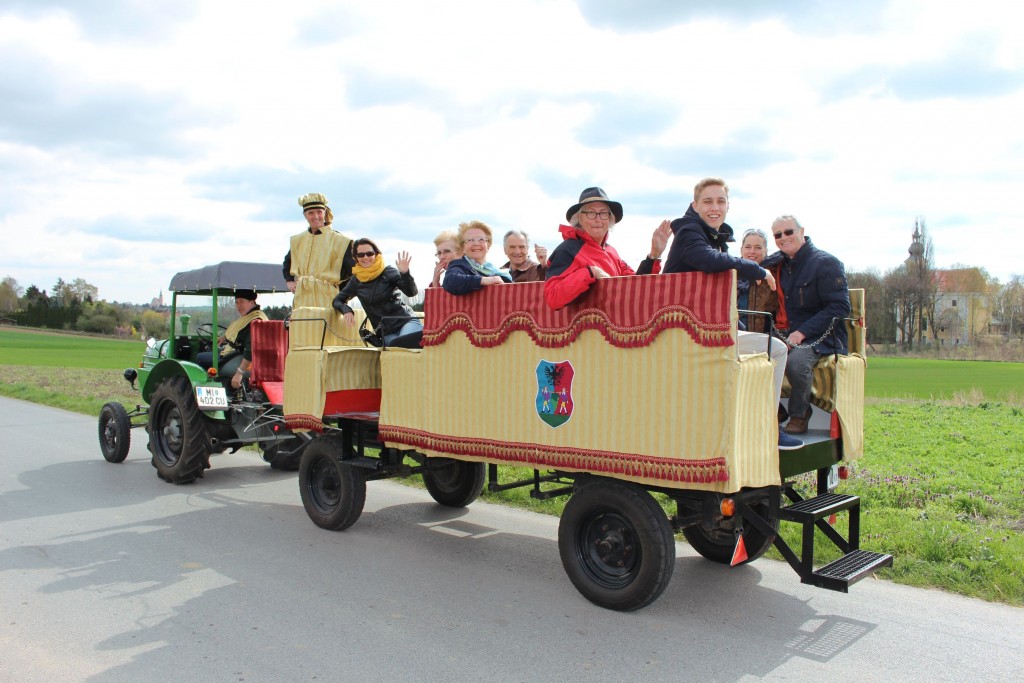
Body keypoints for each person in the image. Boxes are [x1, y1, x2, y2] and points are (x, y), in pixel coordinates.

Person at [662, 178, 802, 451]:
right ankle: (767, 428)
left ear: (728, 206)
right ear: (695, 205)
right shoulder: (690, 231)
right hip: (683, 329)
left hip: (707, 325)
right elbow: (710, 261)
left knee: (775, 347)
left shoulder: (714, 236)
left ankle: (754, 423)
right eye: (708, 201)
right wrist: (758, 270)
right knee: (775, 351)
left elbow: (720, 293)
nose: (715, 207)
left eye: (721, 201)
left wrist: (737, 325)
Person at [762, 215, 850, 435]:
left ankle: (800, 415)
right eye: (778, 235)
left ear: (802, 231)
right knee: (752, 360)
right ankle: (775, 412)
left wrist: (802, 332)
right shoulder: (778, 264)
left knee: (796, 363)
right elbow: (752, 264)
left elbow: (840, 307)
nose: (783, 238)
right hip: (785, 333)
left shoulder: (826, 263)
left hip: (822, 337)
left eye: (789, 232)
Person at [544, 187, 670, 310]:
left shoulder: (611, 251)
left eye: (603, 213)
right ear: (579, 219)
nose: (598, 219)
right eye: (591, 213)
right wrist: (590, 272)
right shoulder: (567, 250)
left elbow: (634, 287)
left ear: (610, 219)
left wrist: (654, 255)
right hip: (586, 328)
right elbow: (552, 298)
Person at [332, 238, 423, 348]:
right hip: (386, 332)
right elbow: (337, 300)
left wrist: (405, 273)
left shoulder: (388, 271)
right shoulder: (356, 281)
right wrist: (346, 310)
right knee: (396, 349)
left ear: (376, 254)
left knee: (402, 345)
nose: (366, 257)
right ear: (356, 258)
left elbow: (411, 292)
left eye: (369, 253)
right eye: (361, 255)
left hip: (406, 322)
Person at [282, 192, 355, 309]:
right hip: (302, 300)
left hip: (329, 300)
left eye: (319, 212)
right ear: (305, 215)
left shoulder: (340, 241)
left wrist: (342, 295)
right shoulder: (298, 240)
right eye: (311, 213)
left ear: (324, 213)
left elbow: (355, 274)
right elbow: (287, 262)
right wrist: (289, 280)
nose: (316, 216)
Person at [196, 289, 269, 389]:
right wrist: (225, 338)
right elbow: (239, 334)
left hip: (239, 360)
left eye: (242, 302)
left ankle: (208, 388)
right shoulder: (255, 316)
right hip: (249, 359)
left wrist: (239, 373)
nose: (239, 306)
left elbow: (250, 349)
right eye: (237, 302)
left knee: (200, 357)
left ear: (251, 302)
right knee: (216, 351)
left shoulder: (254, 321)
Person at [442, 221, 513, 295]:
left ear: (488, 245)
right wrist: (483, 280)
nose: (476, 243)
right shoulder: (459, 265)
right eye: (470, 240)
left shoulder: (497, 272)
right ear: (462, 247)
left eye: (481, 239)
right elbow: (450, 281)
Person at [736, 228, 780, 333]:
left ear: (766, 251)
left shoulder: (775, 273)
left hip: (764, 337)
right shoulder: (730, 273)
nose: (752, 251)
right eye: (748, 247)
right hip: (732, 336)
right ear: (741, 250)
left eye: (758, 247)